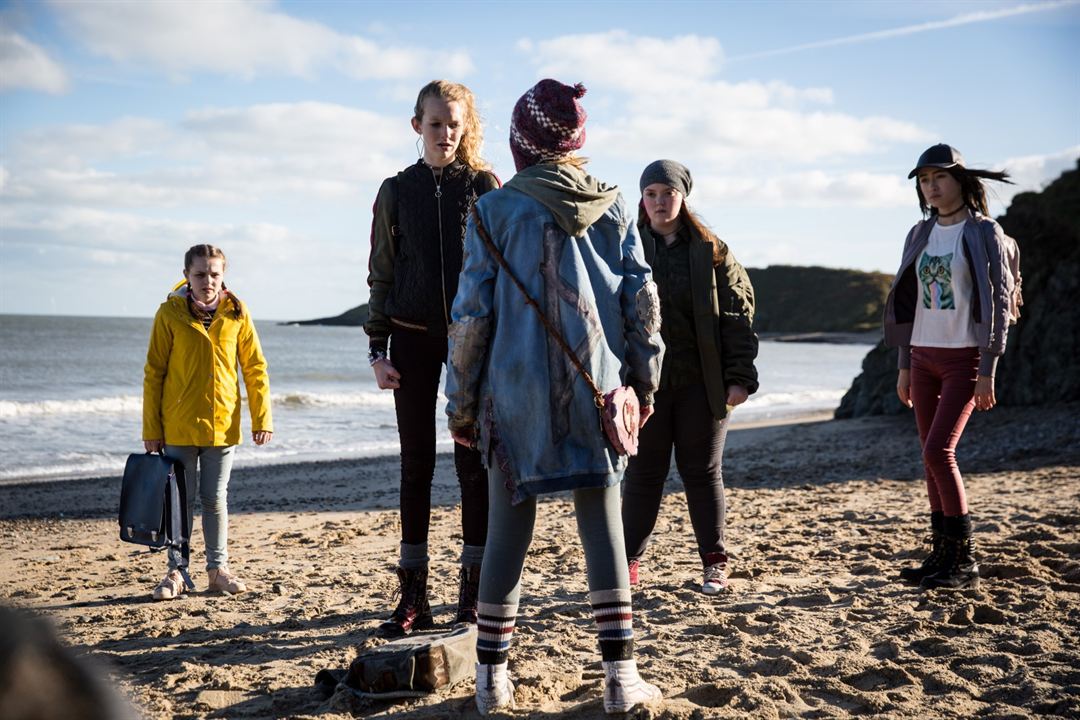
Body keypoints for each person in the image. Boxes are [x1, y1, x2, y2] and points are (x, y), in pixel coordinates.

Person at [445, 79, 666, 716]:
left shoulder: (493, 211)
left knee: (508, 525)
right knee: (604, 524)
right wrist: (644, 383)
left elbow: (471, 318)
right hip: (598, 388)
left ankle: (492, 681)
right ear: (574, 142)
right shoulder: (616, 206)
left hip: (512, 396)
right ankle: (621, 677)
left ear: (522, 142)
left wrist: (460, 405)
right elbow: (641, 308)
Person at [364, 80, 500, 635]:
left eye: (454, 123)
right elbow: (381, 273)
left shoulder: (486, 186)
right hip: (411, 339)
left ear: (466, 127)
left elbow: (502, 272)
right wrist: (377, 349)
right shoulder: (396, 191)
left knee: (474, 466)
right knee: (415, 464)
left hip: (471, 341)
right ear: (416, 125)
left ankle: (472, 596)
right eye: (435, 122)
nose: (445, 133)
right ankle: (413, 599)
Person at [621, 160, 759, 596]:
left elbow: (738, 315)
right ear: (642, 200)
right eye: (651, 194)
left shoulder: (711, 250)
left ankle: (714, 565)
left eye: (668, 193)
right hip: (646, 386)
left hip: (703, 382)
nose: (660, 202)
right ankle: (627, 564)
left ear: (683, 196)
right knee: (644, 475)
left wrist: (740, 378)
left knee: (702, 473)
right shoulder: (627, 249)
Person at [884, 143, 1015, 590]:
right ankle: (942, 554)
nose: (931, 187)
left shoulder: (983, 233)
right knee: (929, 457)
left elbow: (997, 303)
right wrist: (904, 365)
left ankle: (965, 559)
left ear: (960, 180)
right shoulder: (918, 234)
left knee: (939, 451)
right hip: (922, 355)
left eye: (938, 177)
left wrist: (988, 370)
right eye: (924, 180)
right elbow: (908, 302)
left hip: (964, 358)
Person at [143, 244, 273, 601]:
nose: (207, 281)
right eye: (200, 274)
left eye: (214, 274)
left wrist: (262, 417)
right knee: (179, 502)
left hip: (222, 424)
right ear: (187, 275)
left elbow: (255, 368)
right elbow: (154, 373)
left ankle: (217, 571)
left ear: (223, 276)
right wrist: (151, 430)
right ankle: (177, 572)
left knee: (215, 499)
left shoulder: (237, 313)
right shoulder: (169, 314)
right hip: (179, 425)